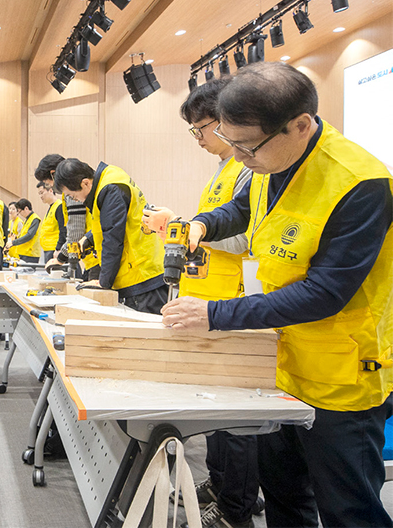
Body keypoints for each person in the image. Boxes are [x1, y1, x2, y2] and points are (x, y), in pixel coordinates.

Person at [161, 62, 393, 528]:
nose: (241, 158)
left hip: (340, 376)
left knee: (348, 509)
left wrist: (215, 314)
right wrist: (203, 223)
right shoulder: (272, 160)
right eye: (234, 145)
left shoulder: (360, 183)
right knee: (285, 496)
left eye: (248, 147)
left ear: (300, 125)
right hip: (279, 363)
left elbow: (324, 293)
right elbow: (242, 208)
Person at [143, 79, 261, 528]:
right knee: (215, 416)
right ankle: (221, 485)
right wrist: (181, 226)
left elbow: (248, 238)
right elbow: (214, 228)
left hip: (233, 303)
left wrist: (180, 222)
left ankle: (235, 508)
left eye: (202, 128)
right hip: (206, 305)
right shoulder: (223, 169)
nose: (199, 139)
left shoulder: (249, 168)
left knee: (236, 421)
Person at [54, 158, 166, 313]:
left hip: (142, 274)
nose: (77, 201)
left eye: (74, 196)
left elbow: (113, 239)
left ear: (85, 183)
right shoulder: (109, 179)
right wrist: (88, 238)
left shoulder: (110, 190)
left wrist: (103, 282)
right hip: (141, 269)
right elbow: (113, 224)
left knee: (145, 333)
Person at [33, 153, 95, 279]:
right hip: (91, 253)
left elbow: (75, 231)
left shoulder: (72, 190)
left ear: (53, 173)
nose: (50, 187)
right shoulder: (71, 189)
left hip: (95, 255)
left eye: (47, 183)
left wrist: (62, 257)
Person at [36, 181, 67, 264]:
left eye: (42, 193)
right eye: (39, 194)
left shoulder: (59, 206)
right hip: (48, 249)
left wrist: (58, 248)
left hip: (54, 249)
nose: (40, 196)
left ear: (50, 190)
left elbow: (63, 229)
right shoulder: (51, 207)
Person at [6, 198, 42, 263]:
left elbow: (29, 235)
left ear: (26, 208)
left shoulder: (35, 219)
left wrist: (13, 242)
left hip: (31, 253)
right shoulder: (27, 219)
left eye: (20, 211)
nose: (20, 214)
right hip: (24, 253)